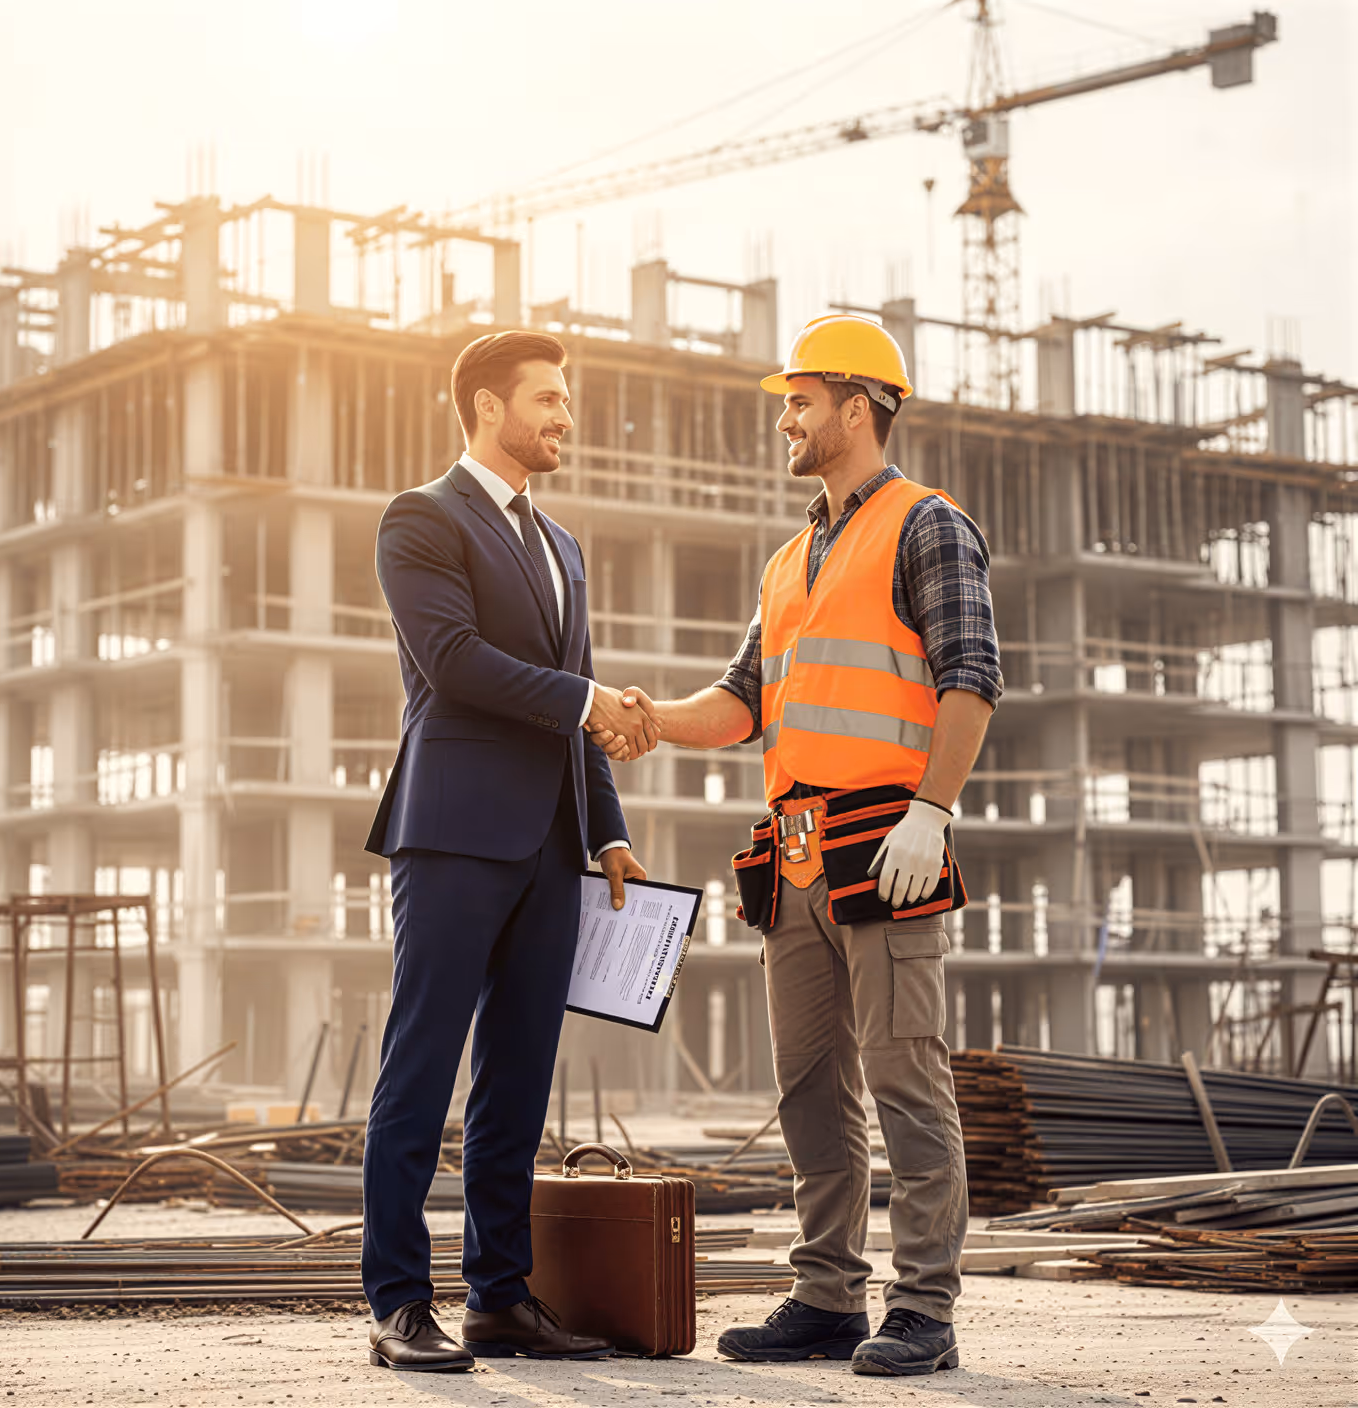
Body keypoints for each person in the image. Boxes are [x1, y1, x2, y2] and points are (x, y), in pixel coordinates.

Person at [595, 314, 1002, 1377]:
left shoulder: (928, 526)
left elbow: (971, 678)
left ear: (854, 407)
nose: (785, 419)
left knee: (908, 1080)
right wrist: (640, 715)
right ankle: (827, 1296)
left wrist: (935, 809)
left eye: (799, 401)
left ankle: (924, 1307)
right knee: (810, 1087)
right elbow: (740, 703)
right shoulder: (787, 560)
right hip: (796, 859)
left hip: (889, 847)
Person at [362, 330, 658, 1372]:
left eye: (566, 399)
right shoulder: (420, 518)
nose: (563, 416)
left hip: (552, 847)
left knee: (519, 1078)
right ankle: (398, 1302)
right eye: (546, 399)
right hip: (450, 831)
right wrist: (588, 701)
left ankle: (499, 1296)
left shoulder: (565, 546)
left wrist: (609, 825)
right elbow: (452, 663)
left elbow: (575, 698)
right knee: (421, 1063)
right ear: (486, 407)